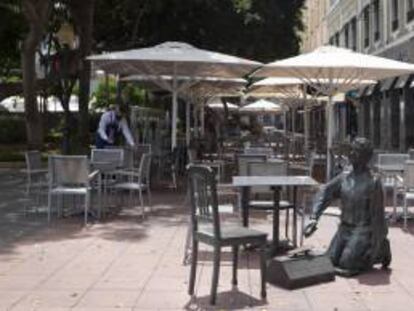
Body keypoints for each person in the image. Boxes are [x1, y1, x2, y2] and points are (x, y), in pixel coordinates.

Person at [304, 137, 391, 276]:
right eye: (351, 150)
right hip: (344, 228)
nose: (351, 154)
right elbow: (325, 192)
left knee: (347, 264)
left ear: (365, 157)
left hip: (363, 229)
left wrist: (377, 240)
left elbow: (378, 217)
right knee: (329, 260)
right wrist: (314, 217)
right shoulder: (344, 177)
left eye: (356, 152)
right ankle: (354, 252)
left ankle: (381, 250)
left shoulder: (373, 182)